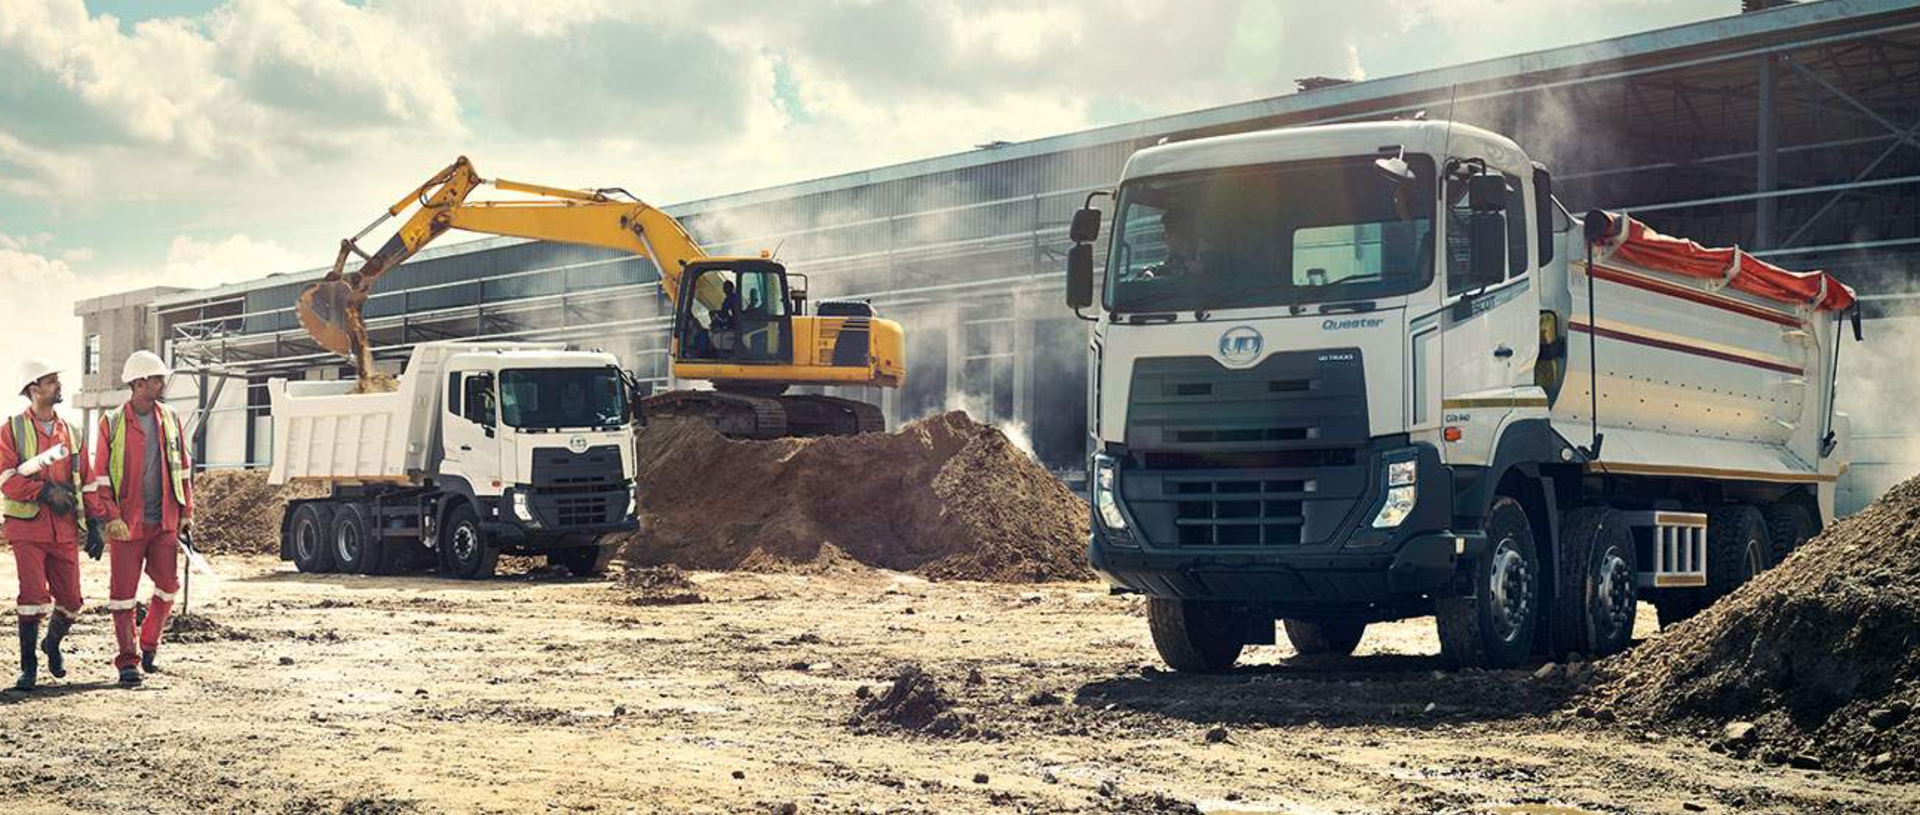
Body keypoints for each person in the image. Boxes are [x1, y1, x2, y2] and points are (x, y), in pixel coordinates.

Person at [84, 350, 194, 686]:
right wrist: (110, 515)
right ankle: (127, 661)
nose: (163, 383)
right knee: (122, 595)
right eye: (157, 378)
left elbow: (183, 469)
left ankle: (149, 643)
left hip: (164, 520)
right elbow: (100, 474)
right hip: (127, 524)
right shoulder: (112, 423)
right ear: (139, 382)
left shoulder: (170, 418)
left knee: (169, 586)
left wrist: (187, 511)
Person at [1, 359, 91, 692]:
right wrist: (43, 491)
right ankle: (29, 667)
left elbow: (88, 480)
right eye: (51, 381)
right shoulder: (11, 429)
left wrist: (94, 523)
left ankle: (51, 645)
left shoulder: (73, 431)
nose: (58, 386)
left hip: (64, 528)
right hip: (28, 528)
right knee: (33, 596)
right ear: (33, 389)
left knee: (72, 600)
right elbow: (6, 479)